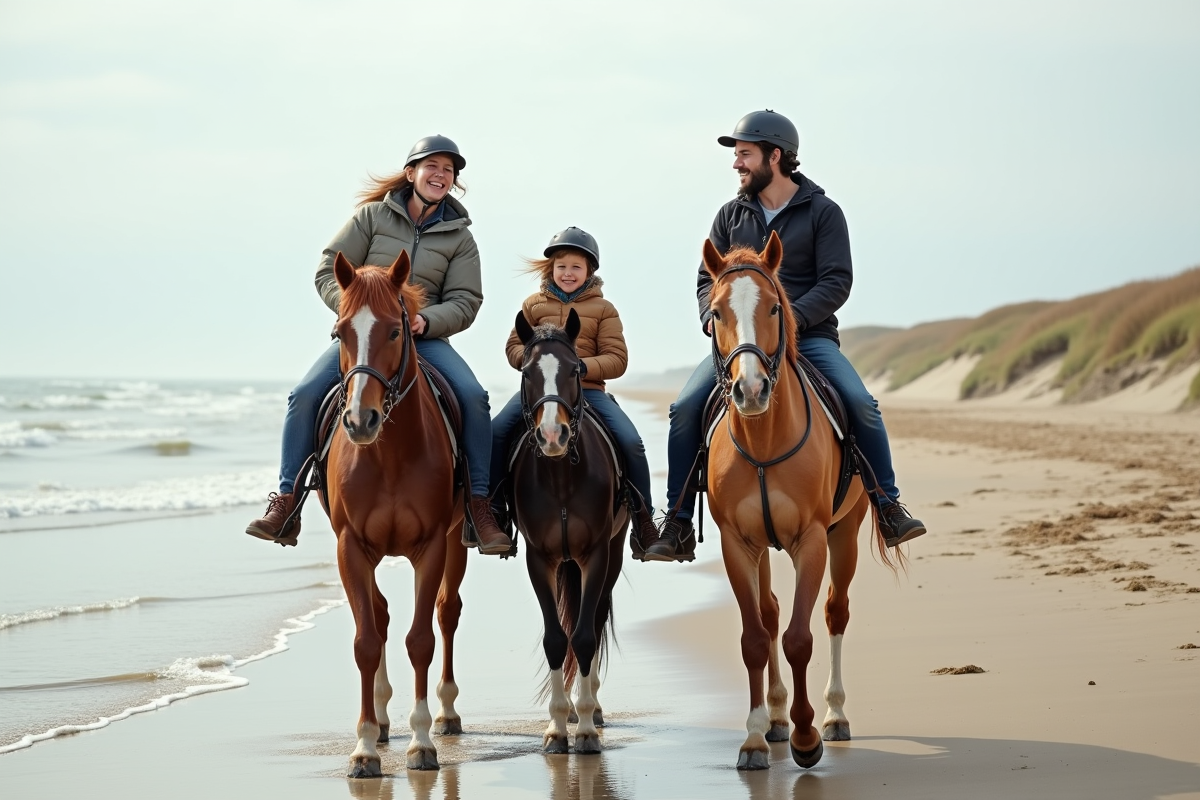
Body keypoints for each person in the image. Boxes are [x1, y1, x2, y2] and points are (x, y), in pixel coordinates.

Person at [644, 110, 927, 562]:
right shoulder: (729, 215)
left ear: (775, 156)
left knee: (861, 404)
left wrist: (788, 322)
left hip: (809, 338)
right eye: (736, 155)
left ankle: (888, 505)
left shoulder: (823, 212)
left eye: (745, 155)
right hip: (740, 344)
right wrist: (713, 321)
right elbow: (707, 280)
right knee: (684, 409)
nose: (737, 164)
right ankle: (676, 520)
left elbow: (837, 282)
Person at [245, 135, 513, 555]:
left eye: (449, 170)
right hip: (366, 339)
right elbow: (326, 272)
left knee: (475, 398)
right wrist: (352, 312)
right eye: (432, 166)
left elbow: (467, 300)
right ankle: (287, 502)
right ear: (412, 173)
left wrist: (428, 320)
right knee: (304, 395)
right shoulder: (370, 218)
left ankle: (479, 506)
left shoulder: (460, 239)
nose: (440, 174)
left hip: (424, 339)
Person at [488, 227, 660, 555]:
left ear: (589, 272)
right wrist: (532, 361)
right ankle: (496, 514)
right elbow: (514, 344)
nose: (568, 273)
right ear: (551, 269)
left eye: (576, 267)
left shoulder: (604, 309)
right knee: (496, 432)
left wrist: (583, 367)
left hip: (588, 391)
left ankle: (644, 523)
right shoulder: (533, 305)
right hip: (540, 392)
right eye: (561, 266)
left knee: (632, 443)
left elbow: (617, 358)